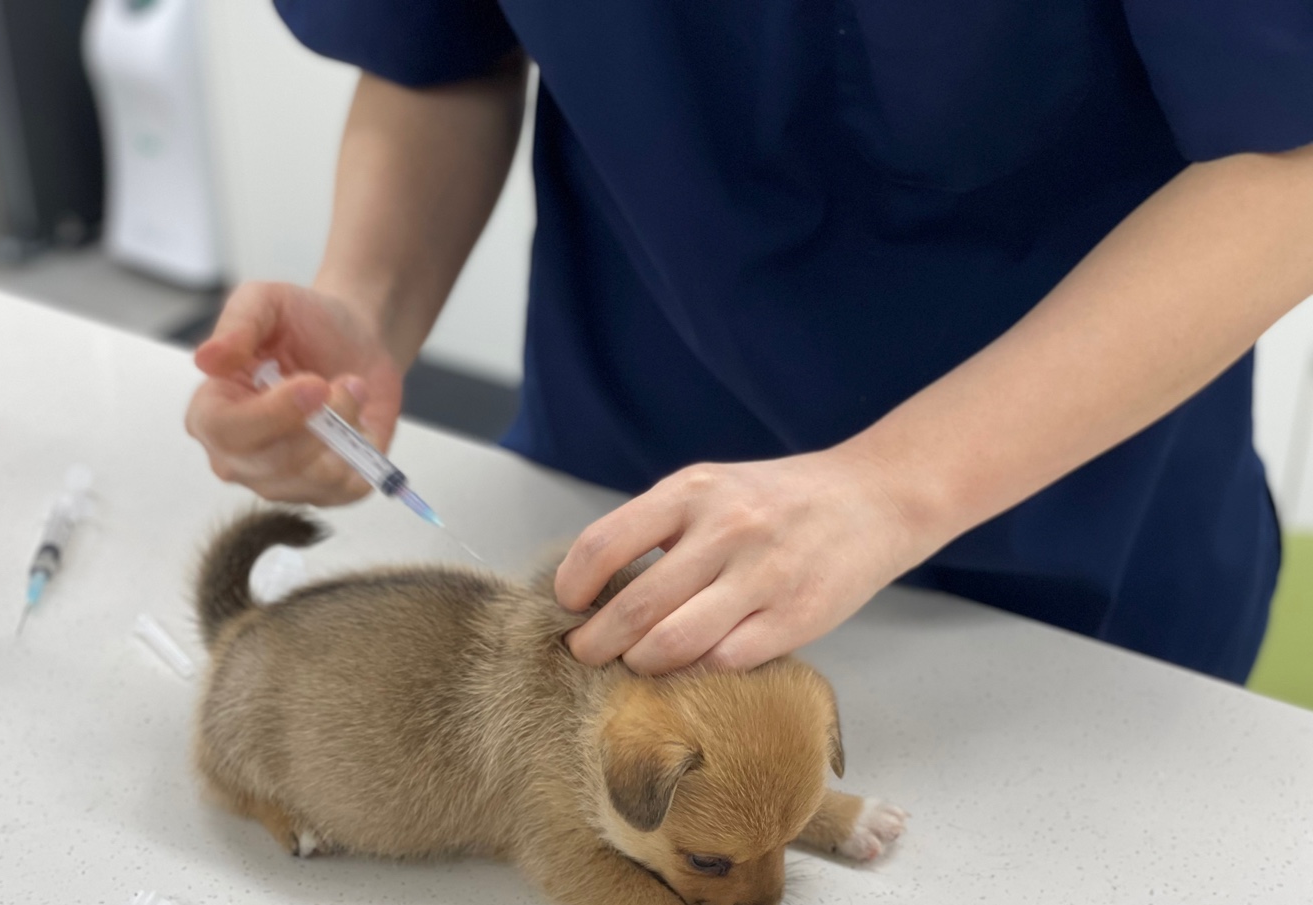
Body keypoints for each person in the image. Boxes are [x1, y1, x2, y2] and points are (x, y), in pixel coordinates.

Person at [186, 1, 1313, 683]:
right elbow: (440, 45)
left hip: (1074, 565)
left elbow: (1290, 164)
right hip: (612, 504)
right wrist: (367, 312)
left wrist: (891, 486)